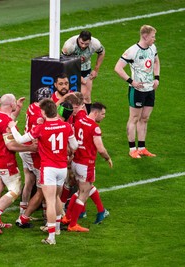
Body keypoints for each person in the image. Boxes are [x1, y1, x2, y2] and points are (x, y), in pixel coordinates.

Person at [8, 98, 78, 245]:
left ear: (44, 113)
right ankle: (57, 228)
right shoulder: (66, 126)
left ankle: (51, 238)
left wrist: (12, 127)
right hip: (62, 168)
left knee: (50, 201)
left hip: (49, 169)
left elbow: (20, 140)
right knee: (57, 198)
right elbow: (75, 145)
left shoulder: (41, 128)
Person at [0, 94, 37, 234]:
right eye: (15, 102)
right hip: (4, 161)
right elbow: (11, 145)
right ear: (10, 105)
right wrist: (30, 148)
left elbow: (10, 119)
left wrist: (18, 107)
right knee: (15, 190)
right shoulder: (6, 122)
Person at [114, 25, 160, 159]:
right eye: (152, 36)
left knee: (145, 118)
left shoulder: (153, 48)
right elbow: (118, 68)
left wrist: (156, 78)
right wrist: (131, 81)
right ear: (145, 36)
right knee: (134, 118)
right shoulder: (132, 51)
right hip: (137, 90)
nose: (154, 39)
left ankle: (142, 147)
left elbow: (156, 62)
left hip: (150, 89)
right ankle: (132, 149)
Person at [65, 102, 113, 232]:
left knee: (81, 190)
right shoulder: (95, 128)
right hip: (86, 164)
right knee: (83, 193)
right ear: (96, 113)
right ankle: (73, 224)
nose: (103, 117)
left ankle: (68, 217)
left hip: (75, 162)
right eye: (103, 114)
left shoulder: (79, 121)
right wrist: (107, 158)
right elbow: (100, 148)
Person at [62, 30, 105, 114]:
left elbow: (102, 53)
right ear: (78, 39)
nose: (83, 46)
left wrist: (96, 69)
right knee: (70, 97)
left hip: (86, 69)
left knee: (86, 96)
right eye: (81, 43)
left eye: (86, 44)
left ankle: (88, 120)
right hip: (70, 70)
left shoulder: (95, 44)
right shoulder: (69, 46)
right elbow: (64, 63)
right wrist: (77, 75)